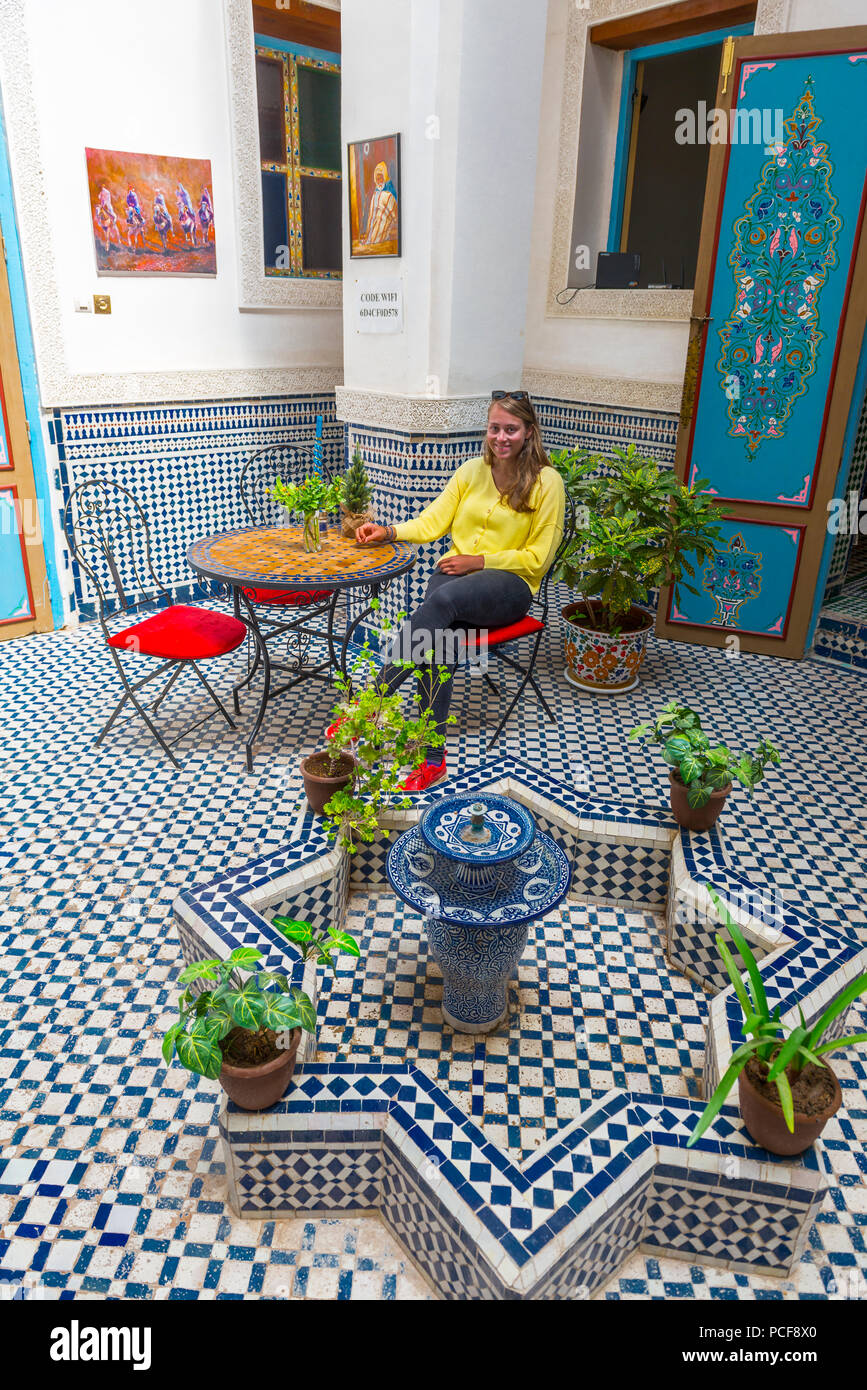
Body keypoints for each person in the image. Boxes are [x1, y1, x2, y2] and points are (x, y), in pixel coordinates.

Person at [345, 392, 565, 791]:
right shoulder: (470, 471)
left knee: (440, 604)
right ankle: (433, 759)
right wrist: (390, 532)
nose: (501, 437)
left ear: (529, 432)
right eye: (494, 428)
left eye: (511, 430)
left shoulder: (547, 482)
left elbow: (538, 558)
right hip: (457, 578)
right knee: (438, 638)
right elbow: (433, 522)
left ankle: (371, 703)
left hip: (510, 586)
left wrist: (479, 561)